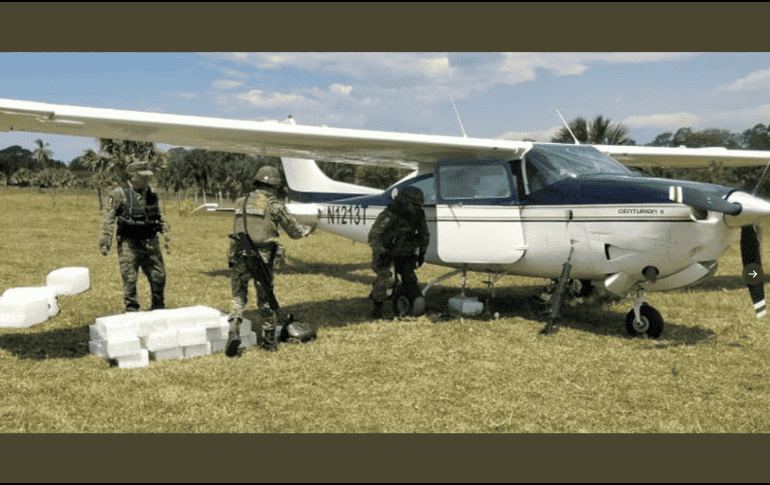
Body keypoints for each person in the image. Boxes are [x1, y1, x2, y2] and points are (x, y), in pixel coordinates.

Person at [225, 165, 313, 356]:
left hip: (238, 254)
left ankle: (234, 329)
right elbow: (294, 232)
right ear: (274, 185)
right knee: (265, 298)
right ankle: (269, 339)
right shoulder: (275, 205)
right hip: (262, 258)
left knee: (238, 296)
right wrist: (308, 230)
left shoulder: (240, 201)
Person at [98, 161, 170, 312]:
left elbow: (159, 213)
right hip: (129, 243)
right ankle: (132, 309)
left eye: (148, 176)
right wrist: (106, 240)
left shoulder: (152, 193)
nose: (147, 180)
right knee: (129, 278)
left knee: (159, 276)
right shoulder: (119, 193)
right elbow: (109, 217)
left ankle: (158, 307)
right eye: (143, 176)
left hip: (151, 241)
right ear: (132, 176)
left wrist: (165, 229)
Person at [367, 186, 430, 319]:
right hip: (386, 250)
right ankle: (377, 307)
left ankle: (408, 301)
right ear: (405, 201)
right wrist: (382, 253)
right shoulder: (390, 214)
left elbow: (424, 235)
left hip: (405, 251)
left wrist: (421, 254)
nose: (417, 207)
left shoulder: (418, 214)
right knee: (384, 279)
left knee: (410, 279)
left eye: (419, 204)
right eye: (414, 204)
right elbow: (374, 236)